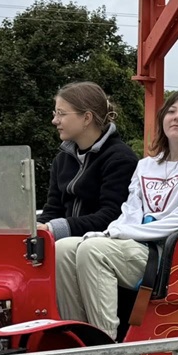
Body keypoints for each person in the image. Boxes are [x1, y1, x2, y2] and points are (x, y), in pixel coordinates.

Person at [54, 91, 178, 339]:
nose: (177, 118)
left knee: (93, 251)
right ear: (162, 119)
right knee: (63, 248)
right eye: (171, 111)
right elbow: (131, 212)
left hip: (172, 253)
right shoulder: (147, 164)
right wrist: (109, 232)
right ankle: (79, 335)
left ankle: (104, 343)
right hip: (137, 247)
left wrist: (129, 232)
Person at [36, 82, 138, 240]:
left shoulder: (120, 159)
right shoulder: (62, 159)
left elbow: (111, 216)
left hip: (100, 245)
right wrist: (36, 228)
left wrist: (54, 228)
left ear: (86, 118)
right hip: (65, 243)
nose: (54, 121)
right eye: (54, 113)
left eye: (61, 114)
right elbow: (52, 210)